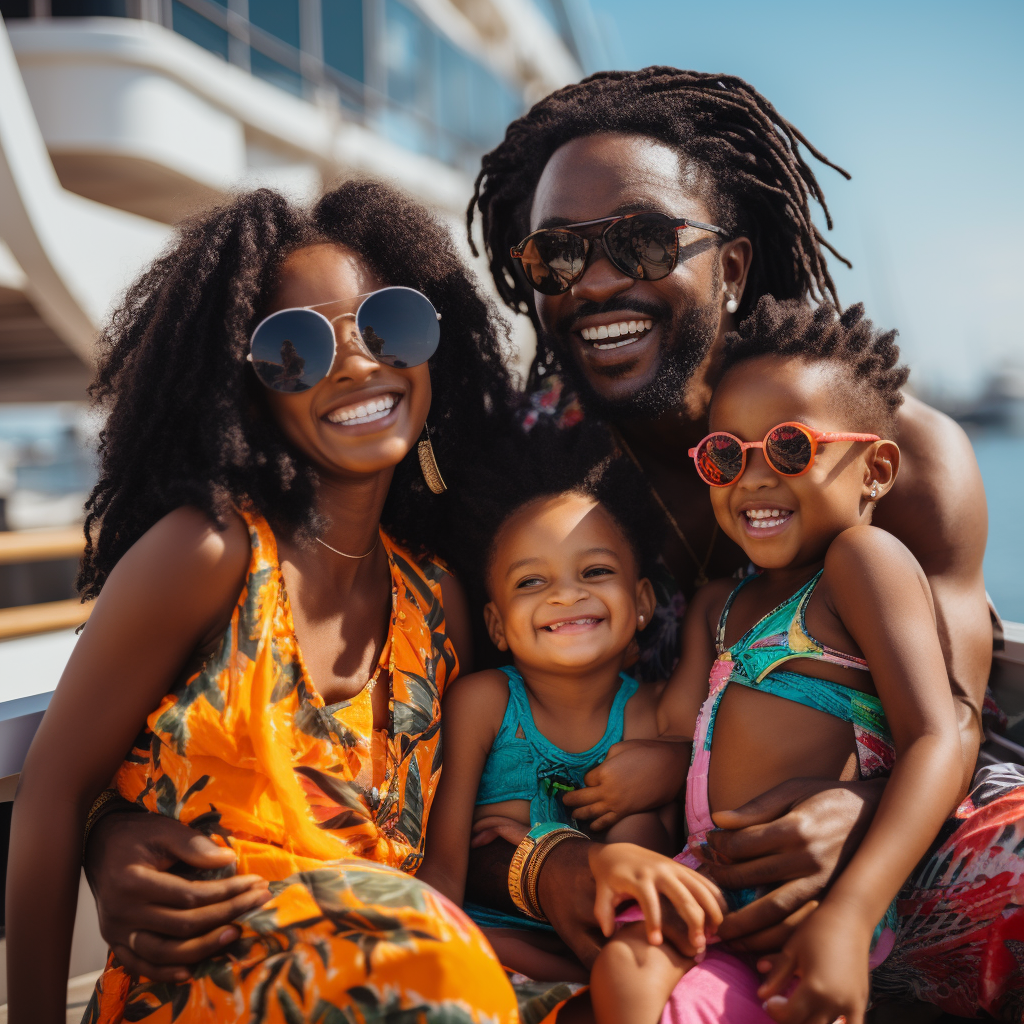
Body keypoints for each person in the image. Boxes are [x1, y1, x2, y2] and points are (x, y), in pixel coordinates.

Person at [467, 67, 1024, 1019]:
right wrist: (557, 868)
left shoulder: (902, 455)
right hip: (653, 869)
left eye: (642, 241)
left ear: (728, 265)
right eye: (557, 254)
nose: (596, 281)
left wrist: (853, 820)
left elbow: (953, 716)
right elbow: (485, 734)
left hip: (900, 838)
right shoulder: (532, 474)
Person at [5, 181, 522, 1023]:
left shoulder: (440, 604)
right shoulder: (207, 556)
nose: (358, 363)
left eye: (390, 325)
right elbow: (53, 794)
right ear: (246, 393)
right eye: (296, 349)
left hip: (413, 986)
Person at [590, 297, 962, 1024]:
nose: (753, 480)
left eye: (791, 448)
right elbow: (677, 731)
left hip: (805, 898)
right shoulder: (718, 605)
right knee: (624, 973)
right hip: (707, 882)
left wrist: (851, 916)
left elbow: (935, 738)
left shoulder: (861, 564)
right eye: (727, 456)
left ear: (876, 469)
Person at [418, 433, 720, 983]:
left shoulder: (651, 714)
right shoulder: (484, 702)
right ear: (496, 625)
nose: (565, 595)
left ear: (643, 602)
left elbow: (715, 609)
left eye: (595, 572)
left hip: (622, 947)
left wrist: (673, 760)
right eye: (531, 581)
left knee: (640, 825)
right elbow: (441, 871)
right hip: (490, 944)